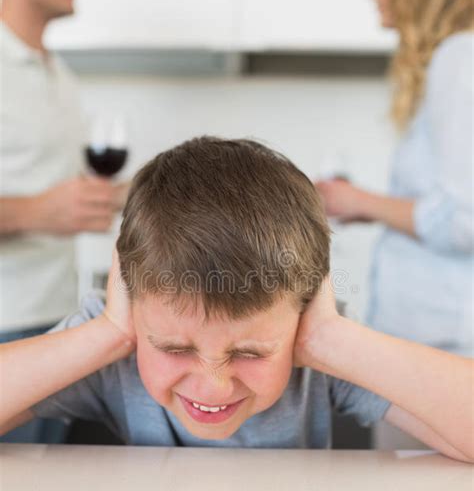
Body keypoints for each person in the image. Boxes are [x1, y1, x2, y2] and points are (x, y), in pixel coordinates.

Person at [0, 137, 472, 464]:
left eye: (249, 353)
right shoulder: (114, 341)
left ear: (306, 309)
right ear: (130, 294)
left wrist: (330, 339)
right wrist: (109, 333)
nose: (214, 386)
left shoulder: (316, 347)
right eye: (174, 348)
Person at [316, 0, 474, 356]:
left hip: (443, 339)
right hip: (436, 334)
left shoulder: (459, 61)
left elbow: (465, 220)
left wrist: (359, 201)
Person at [0, 0, 126, 442]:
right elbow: (43, 203)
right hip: (5, 327)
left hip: (56, 323)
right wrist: (36, 212)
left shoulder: (60, 76)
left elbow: (61, 189)